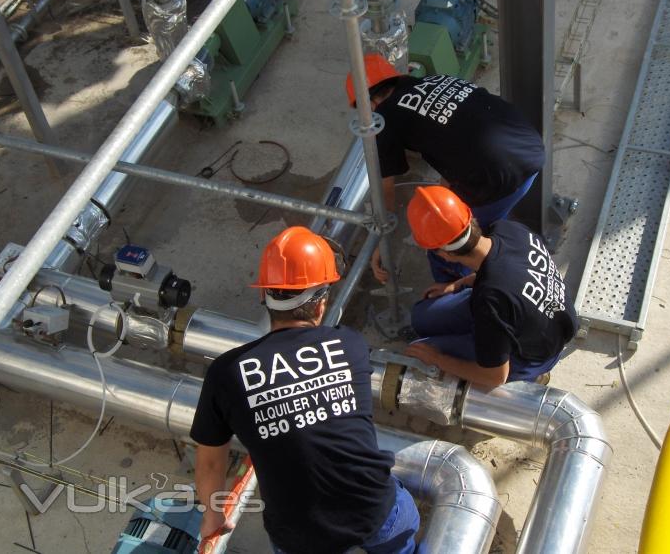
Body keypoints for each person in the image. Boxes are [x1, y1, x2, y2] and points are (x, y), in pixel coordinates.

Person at [190, 226, 419, 553]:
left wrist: (212, 514)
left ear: (262, 295)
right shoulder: (349, 344)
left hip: (300, 537)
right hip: (374, 512)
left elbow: (211, 463)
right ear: (320, 303)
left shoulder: (225, 373)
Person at [345, 53, 545, 284]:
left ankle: (456, 294)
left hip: (501, 179)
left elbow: (386, 196)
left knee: (445, 243)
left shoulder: (385, 120)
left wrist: (382, 242)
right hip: (531, 150)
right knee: (467, 220)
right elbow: (453, 139)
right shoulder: (437, 80)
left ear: (368, 105)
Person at [402, 186, 577, 388]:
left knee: (419, 350)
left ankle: (530, 377)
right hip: (530, 315)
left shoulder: (491, 299)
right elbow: (510, 269)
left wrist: (438, 359)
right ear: (470, 220)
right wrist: (458, 284)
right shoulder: (508, 230)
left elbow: (494, 377)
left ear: (445, 254)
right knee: (421, 317)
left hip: (530, 354)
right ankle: (479, 341)